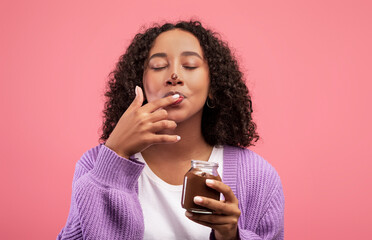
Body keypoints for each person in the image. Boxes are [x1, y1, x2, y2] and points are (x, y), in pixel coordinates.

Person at [57, 20, 284, 240]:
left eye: (190, 65)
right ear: (139, 84)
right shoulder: (94, 166)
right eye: (158, 66)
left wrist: (231, 237)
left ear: (213, 86)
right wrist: (114, 155)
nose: (174, 75)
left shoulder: (258, 176)